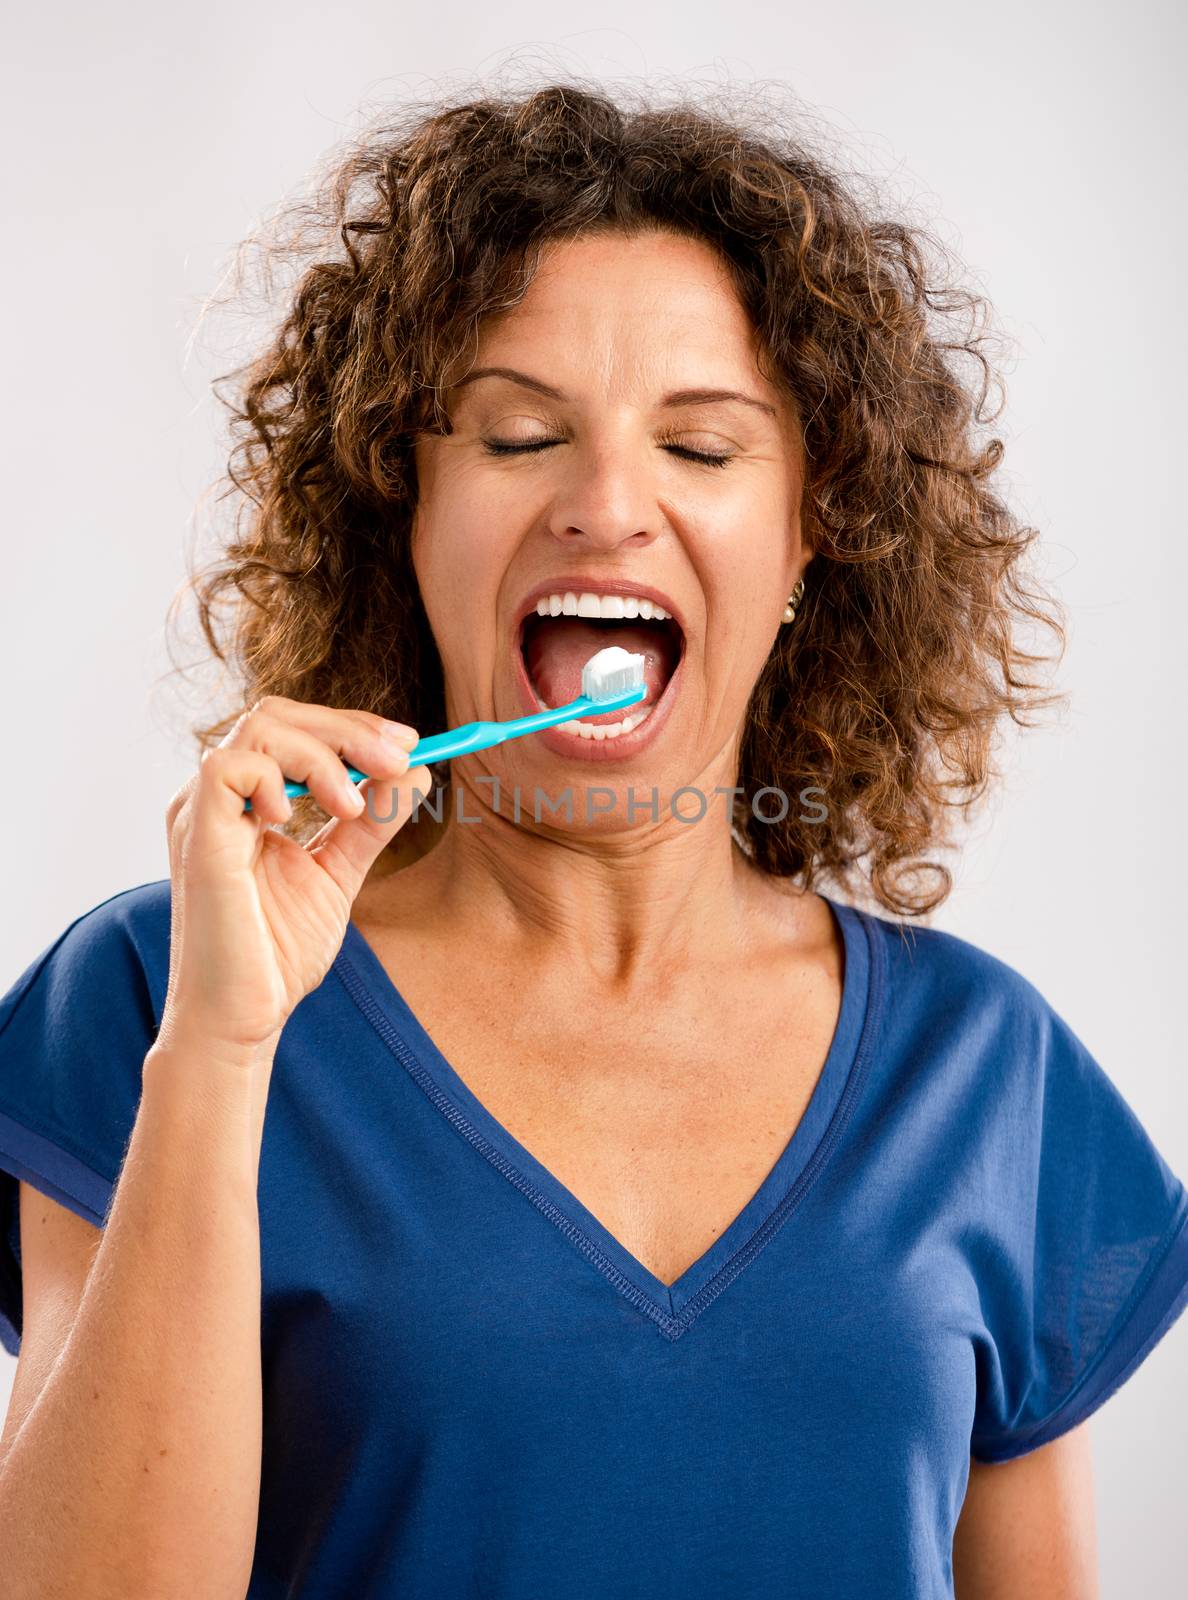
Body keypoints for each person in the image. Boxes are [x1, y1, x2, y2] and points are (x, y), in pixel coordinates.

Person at [0, 80, 1184, 1600]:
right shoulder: (157, 997)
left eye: (702, 448)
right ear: (405, 515)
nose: (607, 506)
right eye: (516, 436)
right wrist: (223, 1052)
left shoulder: (989, 1071)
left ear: (809, 540)